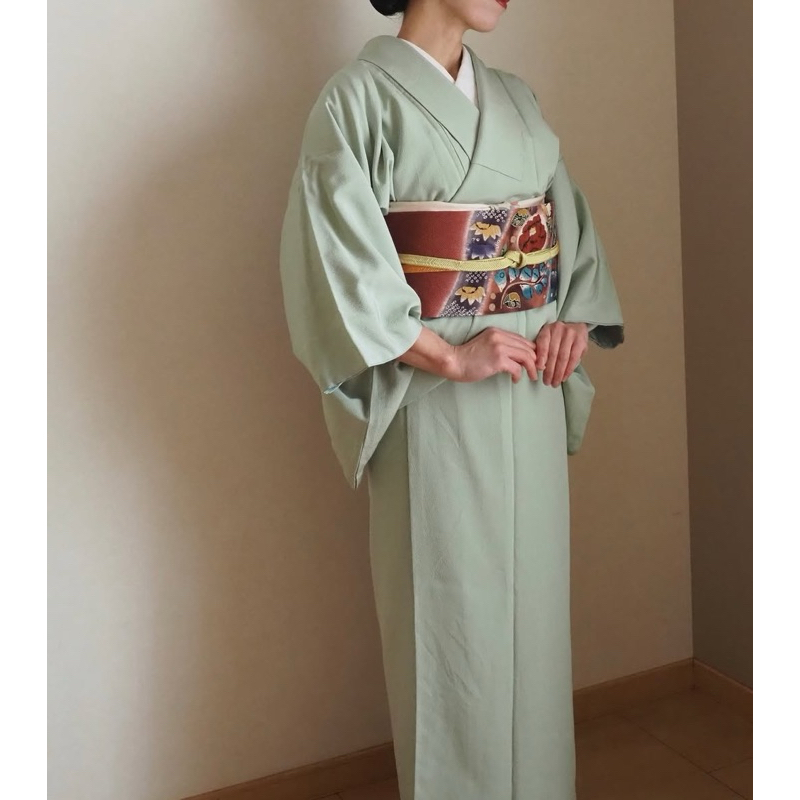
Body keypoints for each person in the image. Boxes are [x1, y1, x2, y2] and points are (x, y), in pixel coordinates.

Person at [279, 1, 624, 798]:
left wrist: (571, 316)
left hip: (529, 388)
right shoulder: (356, 99)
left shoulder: (517, 99)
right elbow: (338, 256)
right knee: (450, 619)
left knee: (534, 617)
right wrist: (448, 356)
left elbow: (566, 227)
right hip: (432, 404)